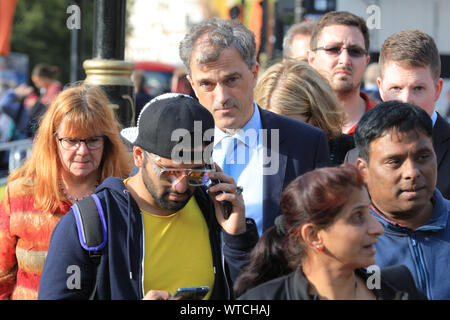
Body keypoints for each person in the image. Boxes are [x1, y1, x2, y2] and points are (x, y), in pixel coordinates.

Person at [38, 93, 259, 300]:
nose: (181, 186)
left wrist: (237, 238)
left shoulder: (213, 209)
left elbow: (254, 298)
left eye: (195, 173)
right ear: (138, 156)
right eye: (169, 172)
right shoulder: (88, 224)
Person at [179, 17, 330, 235]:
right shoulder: (175, 143)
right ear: (192, 84)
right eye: (207, 84)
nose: (221, 97)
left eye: (231, 80)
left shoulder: (305, 143)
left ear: (254, 73)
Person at [0, 84, 133, 300]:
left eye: (92, 140)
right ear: (53, 141)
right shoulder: (20, 194)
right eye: (71, 140)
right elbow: (2, 278)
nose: (82, 151)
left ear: (107, 142)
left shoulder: (126, 194)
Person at [238, 163, 426, 300]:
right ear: (313, 236)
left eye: (368, 212)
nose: (377, 229)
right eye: (357, 216)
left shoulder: (399, 286)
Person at [355, 100, 450, 299]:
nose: (412, 172)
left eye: (423, 156)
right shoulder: (347, 243)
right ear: (363, 171)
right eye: (394, 162)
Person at [376, 29, 450, 200]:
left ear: (437, 90)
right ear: (380, 88)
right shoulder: (357, 153)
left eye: (418, 88)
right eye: (396, 88)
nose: (406, 100)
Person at [254, 61, 354, 166]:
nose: (279, 139)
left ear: (317, 118)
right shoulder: (253, 155)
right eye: (270, 129)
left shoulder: (350, 155)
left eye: (288, 129)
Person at [307, 11, 375, 135]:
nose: (345, 60)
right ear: (312, 59)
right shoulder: (292, 120)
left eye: (355, 51)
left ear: (366, 61)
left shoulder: (388, 125)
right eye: (333, 49)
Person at [29, 63, 63, 136]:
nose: (37, 85)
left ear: (44, 78)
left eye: (37, 82)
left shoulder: (55, 88)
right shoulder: (49, 88)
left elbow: (51, 107)